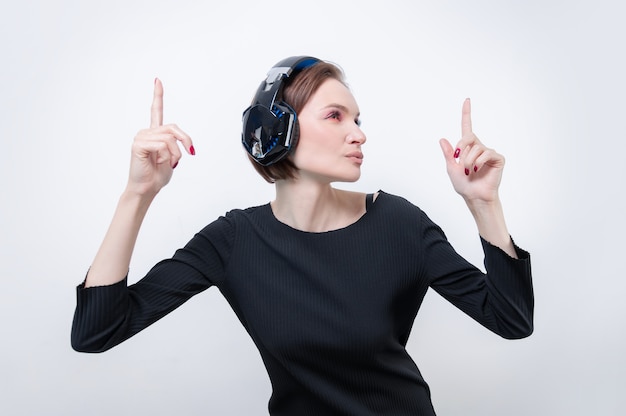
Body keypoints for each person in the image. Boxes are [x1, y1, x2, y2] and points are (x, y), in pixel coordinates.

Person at [71, 56, 534, 415]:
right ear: (277, 128)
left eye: (358, 119)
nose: (359, 134)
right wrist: (137, 194)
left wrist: (483, 203)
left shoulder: (401, 223)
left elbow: (510, 321)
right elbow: (97, 331)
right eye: (336, 116)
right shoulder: (234, 240)